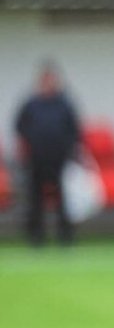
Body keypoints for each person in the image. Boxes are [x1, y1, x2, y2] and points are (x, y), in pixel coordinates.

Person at [14, 62, 81, 246]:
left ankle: (65, 237)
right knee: (35, 200)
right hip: (36, 158)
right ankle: (36, 238)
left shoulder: (65, 103)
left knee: (63, 200)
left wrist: (69, 149)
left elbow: (74, 129)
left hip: (59, 158)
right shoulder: (31, 104)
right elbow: (19, 126)